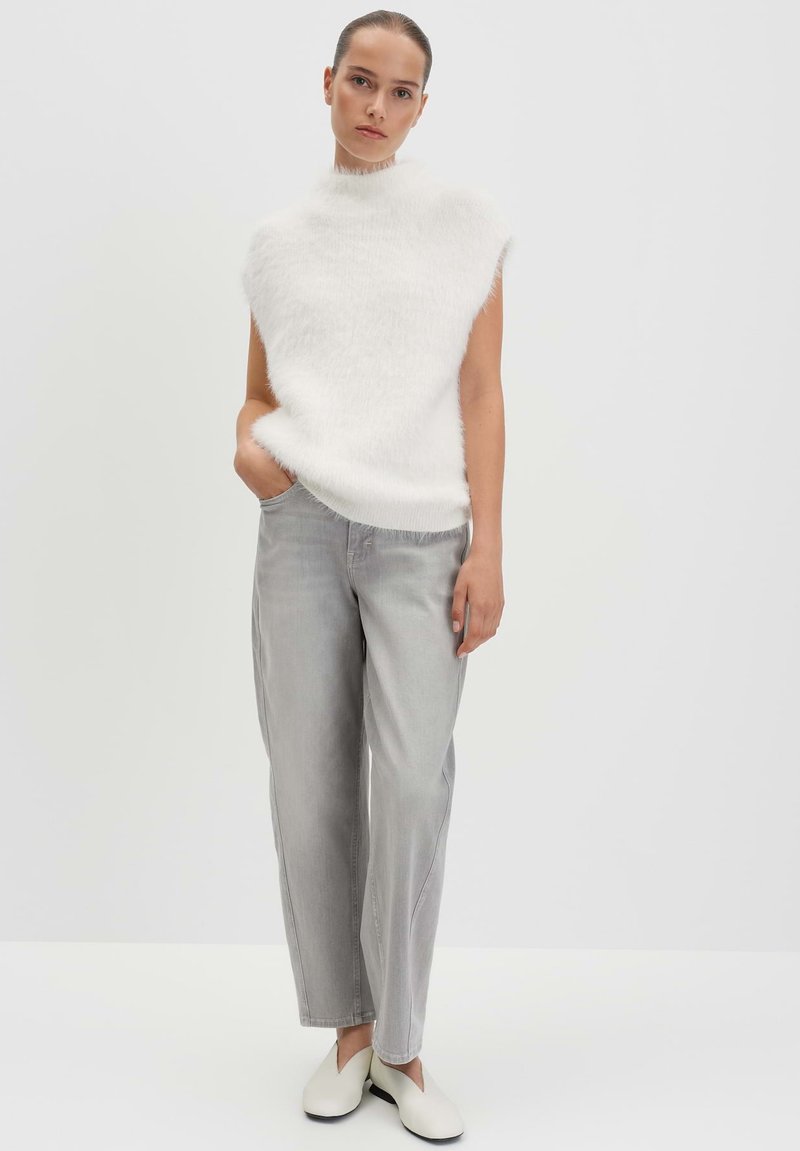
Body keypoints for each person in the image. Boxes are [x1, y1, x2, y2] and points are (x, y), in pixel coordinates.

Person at [233, 9, 511, 1141]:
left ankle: (403, 1043)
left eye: (400, 92)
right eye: (360, 81)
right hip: (300, 530)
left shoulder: (466, 227)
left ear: (422, 107)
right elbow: (258, 391)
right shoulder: (277, 241)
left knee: (408, 786)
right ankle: (349, 1032)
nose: (375, 107)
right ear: (327, 83)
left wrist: (488, 546)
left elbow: (482, 392)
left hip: (422, 538)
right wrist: (249, 452)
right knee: (308, 786)